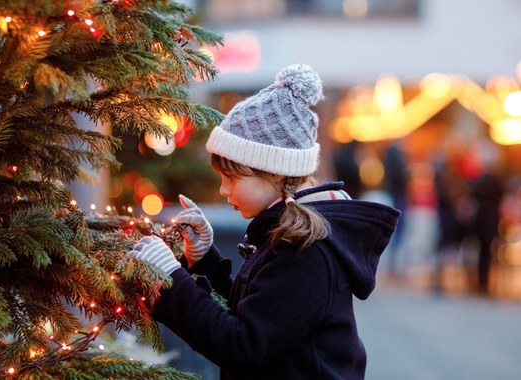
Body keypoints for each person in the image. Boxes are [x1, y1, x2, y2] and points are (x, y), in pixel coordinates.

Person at [129, 64, 400, 379]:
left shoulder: (305, 250)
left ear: (273, 172)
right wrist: (206, 262)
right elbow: (261, 312)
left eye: (232, 177)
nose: (223, 189)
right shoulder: (287, 232)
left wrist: (171, 279)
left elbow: (243, 344)